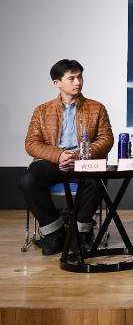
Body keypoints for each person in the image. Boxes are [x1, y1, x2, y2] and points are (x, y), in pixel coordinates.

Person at [21, 59, 114, 255]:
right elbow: (31, 143)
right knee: (28, 181)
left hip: (85, 161)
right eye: (71, 78)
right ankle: (54, 233)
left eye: (80, 77)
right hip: (54, 161)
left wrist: (79, 154)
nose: (77, 82)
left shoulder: (97, 108)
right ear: (57, 83)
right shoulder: (42, 110)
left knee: (97, 180)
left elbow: (106, 140)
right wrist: (60, 155)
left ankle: (80, 233)